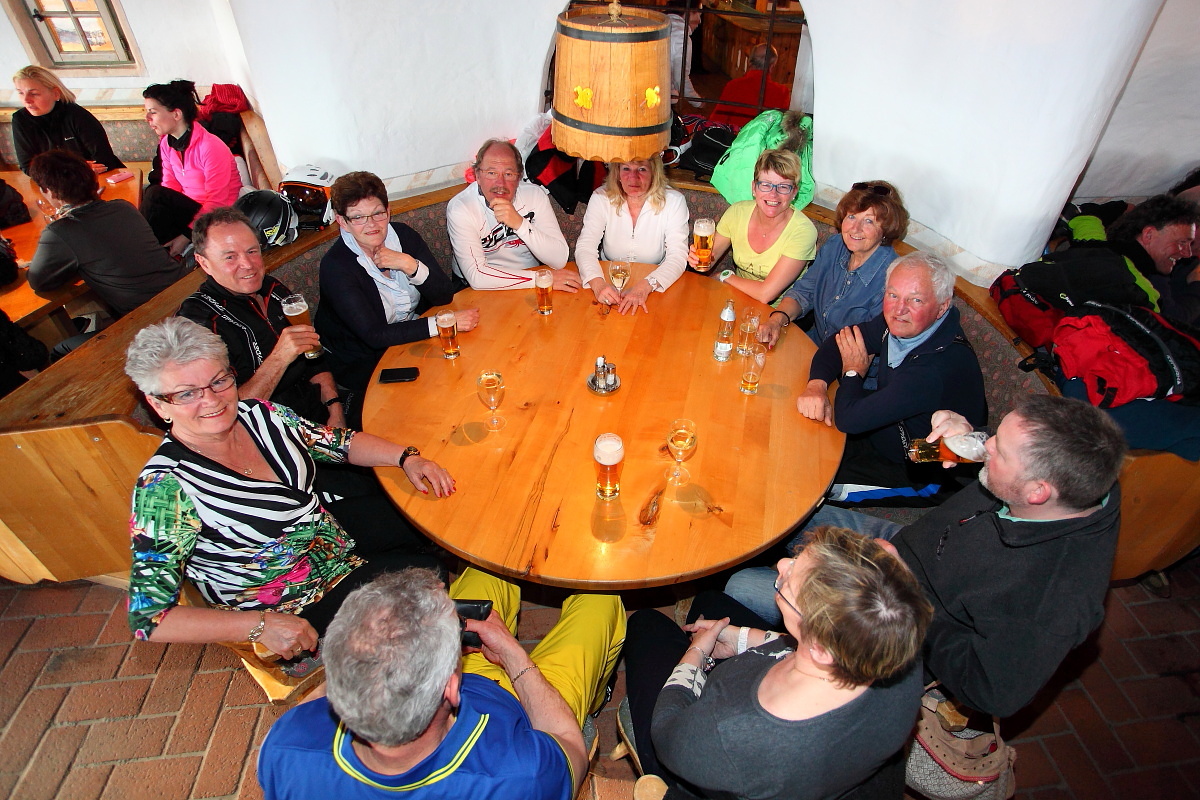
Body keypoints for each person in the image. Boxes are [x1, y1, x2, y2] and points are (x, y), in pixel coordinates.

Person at [726, 395, 1126, 720]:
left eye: (998, 450)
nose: (986, 445)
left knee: (739, 586)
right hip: (904, 546)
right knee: (783, 505)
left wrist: (908, 597)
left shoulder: (1051, 600)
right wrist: (955, 442)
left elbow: (991, 691)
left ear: (1038, 492)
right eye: (993, 436)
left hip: (897, 616)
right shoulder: (1082, 474)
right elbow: (950, 465)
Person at [123, 318, 453, 661]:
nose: (211, 400)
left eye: (219, 381)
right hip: (287, 600)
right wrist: (258, 625)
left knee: (424, 517)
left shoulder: (260, 415)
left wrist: (406, 458)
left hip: (324, 536)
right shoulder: (164, 487)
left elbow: (338, 443)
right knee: (426, 580)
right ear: (158, 404)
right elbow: (149, 618)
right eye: (187, 393)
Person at [258, 567, 626, 799]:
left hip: (427, 686)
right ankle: (593, 700)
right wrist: (513, 655)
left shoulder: (286, 748)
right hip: (532, 713)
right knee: (600, 601)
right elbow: (569, 747)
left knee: (487, 568)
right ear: (451, 688)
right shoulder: (520, 777)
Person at [622, 527, 931, 800]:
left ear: (820, 648)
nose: (782, 564)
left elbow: (666, 733)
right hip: (846, 774)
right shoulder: (897, 638)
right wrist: (743, 638)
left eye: (792, 581)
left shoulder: (732, 734)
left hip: (702, 753)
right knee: (709, 601)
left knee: (648, 624)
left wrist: (696, 654)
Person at [797, 251, 987, 502]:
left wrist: (853, 372)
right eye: (893, 295)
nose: (899, 309)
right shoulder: (902, 323)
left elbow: (849, 420)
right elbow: (840, 341)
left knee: (808, 483)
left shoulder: (932, 369)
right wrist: (817, 385)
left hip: (918, 470)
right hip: (884, 422)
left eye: (916, 300)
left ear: (942, 307)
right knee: (796, 439)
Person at [317, 171, 478, 405]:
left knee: (471, 366)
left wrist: (409, 264)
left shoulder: (403, 235)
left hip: (410, 336)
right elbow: (374, 335)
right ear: (342, 221)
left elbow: (443, 295)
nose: (371, 224)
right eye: (358, 217)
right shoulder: (336, 267)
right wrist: (442, 323)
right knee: (435, 395)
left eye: (378, 213)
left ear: (388, 211)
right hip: (363, 361)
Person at [178, 207, 343, 428]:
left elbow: (314, 358)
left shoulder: (271, 287)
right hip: (270, 433)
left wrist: (335, 408)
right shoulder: (198, 323)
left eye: (252, 251)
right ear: (204, 262)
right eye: (230, 257)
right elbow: (226, 412)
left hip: (321, 411)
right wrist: (280, 357)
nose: (248, 265)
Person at [26, 150, 189, 318]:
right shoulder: (123, 207)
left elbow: (38, 281)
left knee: (68, 334)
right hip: (186, 291)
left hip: (155, 316)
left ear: (50, 192)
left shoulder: (60, 232)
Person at [759, 180, 909, 345]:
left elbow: (870, 345)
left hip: (848, 357)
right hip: (814, 342)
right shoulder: (835, 245)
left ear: (886, 229)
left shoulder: (892, 278)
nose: (855, 228)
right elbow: (804, 293)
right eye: (851, 216)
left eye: (869, 221)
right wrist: (776, 320)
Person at [688, 149, 816, 305]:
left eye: (783, 187)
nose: (773, 194)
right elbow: (709, 260)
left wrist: (725, 276)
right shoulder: (737, 212)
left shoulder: (803, 231)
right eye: (766, 185)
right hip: (735, 300)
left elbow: (765, 294)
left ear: (794, 192)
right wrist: (697, 260)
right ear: (754, 188)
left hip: (777, 313)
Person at [446, 138, 576, 292]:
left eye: (508, 174)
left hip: (528, 276)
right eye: (491, 173)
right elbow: (477, 276)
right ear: (477, 176)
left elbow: (559, 259)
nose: (500, 183)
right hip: (480, 287)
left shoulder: (534, 195)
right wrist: (539, 279)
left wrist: (520, 224)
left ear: (519, 177)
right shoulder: (461, 208)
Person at [574, 156, 689, 314]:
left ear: (654, 172)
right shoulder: (601, 197)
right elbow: (585, 247)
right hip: (607, 283)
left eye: (642, 169)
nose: (633, 178)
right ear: (617, 173)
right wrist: (598, 284)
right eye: (626, 168)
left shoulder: (674, 201)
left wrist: (646, 286)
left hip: (655, 286)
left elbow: (678, 256)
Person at [142, 80, 242, 254]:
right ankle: (147, 254)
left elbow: (217, 201)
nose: (147, 119)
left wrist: (186, 235)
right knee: (153, 200)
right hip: (192, 212)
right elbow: (170, 188)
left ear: (176, 114)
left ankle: (144, 254)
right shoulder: (166, 143)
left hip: (219, 216)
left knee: (154, 195)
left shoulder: (210, 146)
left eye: (153, 112)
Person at [1104, 194, 1200, 323]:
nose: (1187, 253)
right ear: (1149, 235)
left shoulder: (1112, 256)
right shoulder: (1133, 278)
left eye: (1190, 243)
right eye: (1182, 242)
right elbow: (1171, 320)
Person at [11, 66, 124, 175]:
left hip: (98, 178)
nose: (26, 100)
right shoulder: (20, 119)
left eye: (34, 94)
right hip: (54, 183)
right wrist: (74, 169)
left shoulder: (77, 115)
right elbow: (28, 167)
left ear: (56, 94)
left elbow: (104, 162)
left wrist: (53, 170)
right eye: (20, 93)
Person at [709, 45, 792, 129]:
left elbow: (717, 120)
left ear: (749, 62)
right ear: (771, 67)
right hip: (764, 136)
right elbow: (783, 126)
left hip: (736, 135)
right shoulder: (782, 92)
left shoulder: (734, 86)